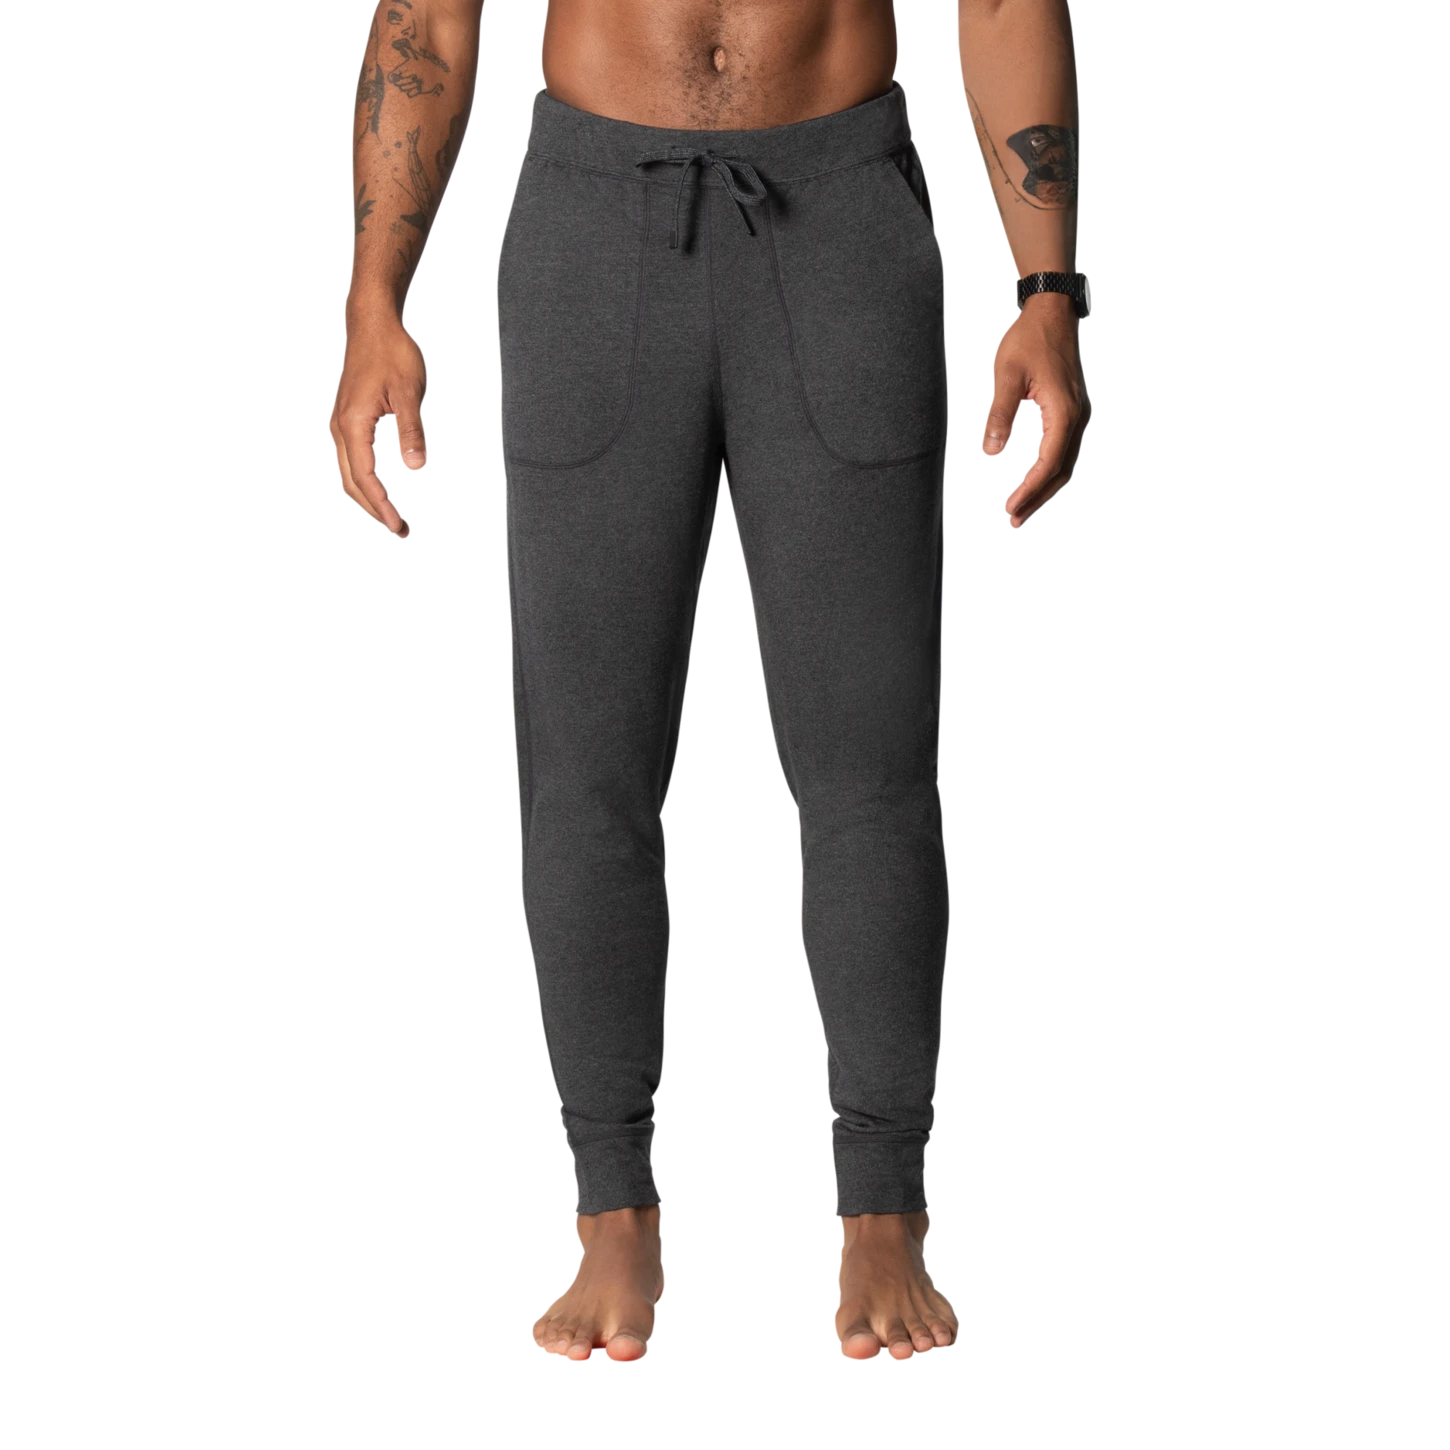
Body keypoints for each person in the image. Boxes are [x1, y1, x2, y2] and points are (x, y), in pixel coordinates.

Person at [335, 0, 1085, 1361]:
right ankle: (611, 1210)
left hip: (842, 214)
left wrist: (1045, 291)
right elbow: (427, 11)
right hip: (591, 221)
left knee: (870, 760)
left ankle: (884, 1211)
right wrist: (374, 295)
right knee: (584, 762)